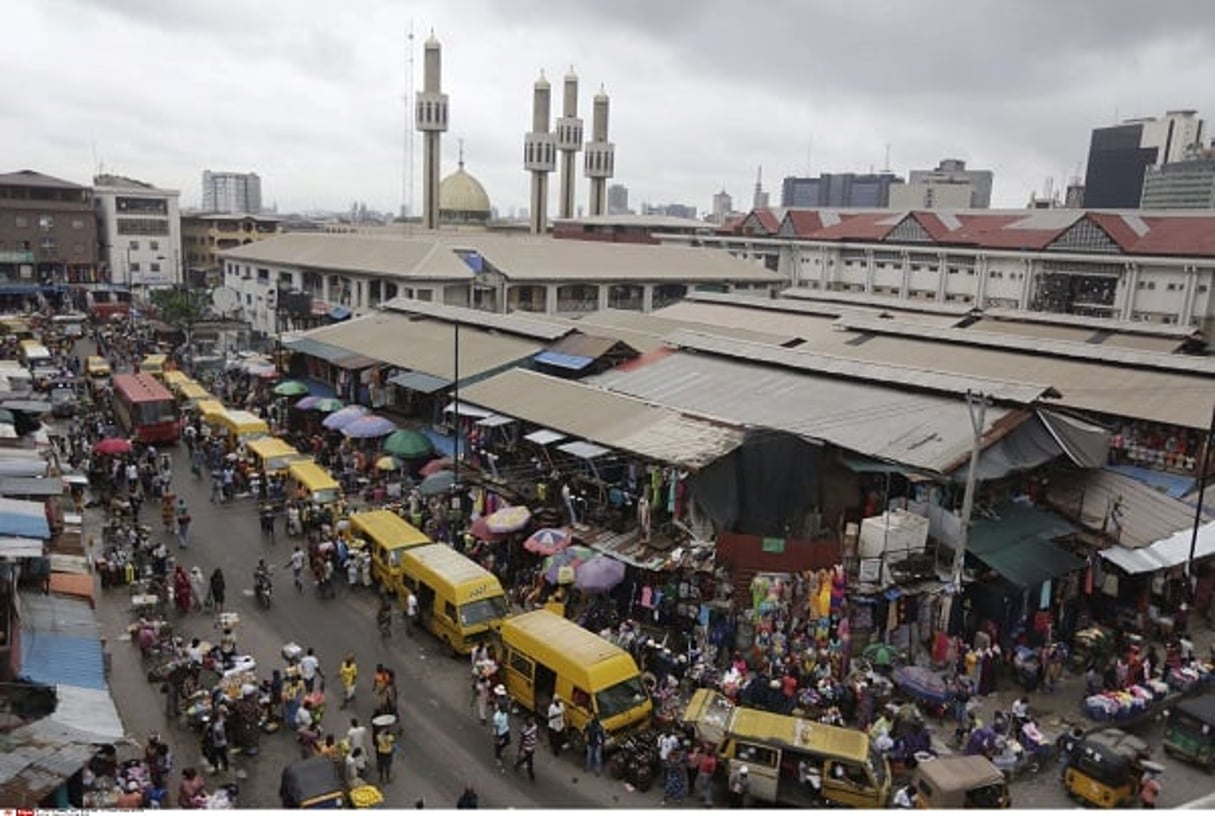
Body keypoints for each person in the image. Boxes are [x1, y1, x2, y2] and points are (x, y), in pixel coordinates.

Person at [513, 715, 539, 781]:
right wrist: (520, 749)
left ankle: (517, 764)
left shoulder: (535, 726)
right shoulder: (524, 730)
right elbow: (522, 739)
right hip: (527, 748)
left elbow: (536, 733)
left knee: (526, 758)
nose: (532, 721)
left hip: (532, 746)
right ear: (527, 721)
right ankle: (531, 775)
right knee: (530, 762)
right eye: (530, 720)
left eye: (532, 720)